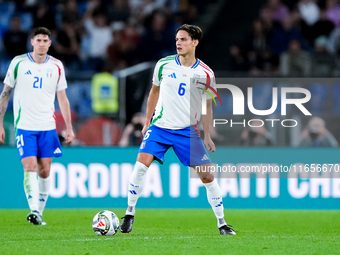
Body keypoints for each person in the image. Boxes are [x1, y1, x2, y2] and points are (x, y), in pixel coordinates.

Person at [119, 24, 236, 236]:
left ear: (195, 42)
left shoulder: (206, 73)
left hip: (186, 131)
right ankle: (129, 213)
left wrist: (207, 135)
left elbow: (208, 105)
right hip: (160, 127)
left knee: (208, 176)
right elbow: (153, 92)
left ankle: (222, 223)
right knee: (140, 167)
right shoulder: (163, 65)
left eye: (183, 39)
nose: (178, 43)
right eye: (177, 40)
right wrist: (147, 122)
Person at [0, 27, 75, 225]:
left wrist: (69, 127)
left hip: (47, 127)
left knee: (45, 170)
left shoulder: (57, 66)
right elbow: (5, 93)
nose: (42, 43)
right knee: (30, 166)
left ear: (50, 43)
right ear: (32, 42)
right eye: (38, 40)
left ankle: (39, 213)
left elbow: (63, 99)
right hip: (25, 126)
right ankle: (33, 210)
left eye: (45, 40)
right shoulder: (18, 63)